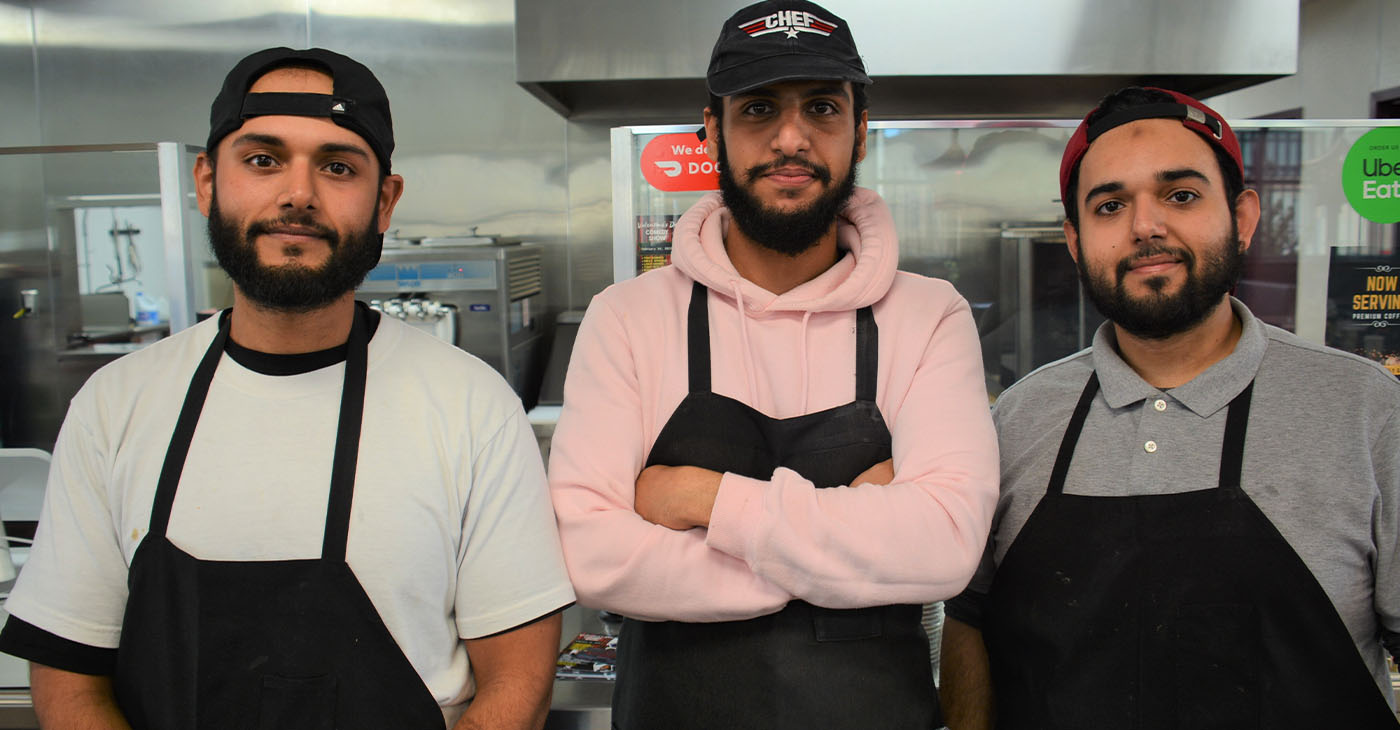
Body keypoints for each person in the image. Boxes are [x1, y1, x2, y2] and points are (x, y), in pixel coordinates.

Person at [0, 47, 575, 730]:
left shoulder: (471, 406)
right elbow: (69, 680)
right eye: (263, 159)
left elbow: (518, 687)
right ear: (207, 182)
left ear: (384, 200)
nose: (298, 194)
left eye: (337, 166)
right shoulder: (115, 403)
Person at [547, 2, 999, 727]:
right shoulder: (628, 317)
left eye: (822, 108)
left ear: (859, 128)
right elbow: (590, 554)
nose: (791, 139)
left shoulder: (928, 316)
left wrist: (700, 498)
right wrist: (851, 541)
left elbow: (944, 546)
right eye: (758, 109)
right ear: (712, 129)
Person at [939, 87, 1400, 729]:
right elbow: (969, 623)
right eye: (1110, 205)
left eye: (1181, 195)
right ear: (1074, 239)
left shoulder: (1366, 410)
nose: (1145, 226)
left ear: (1242, 217)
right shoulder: (1015, 420)